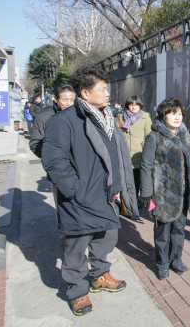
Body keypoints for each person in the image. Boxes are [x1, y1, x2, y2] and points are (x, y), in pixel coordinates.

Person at [42, 66, 134, 316]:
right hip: (80, 197)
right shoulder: (64, 121)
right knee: (76, 247)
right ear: (85, 92)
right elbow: (54, 161)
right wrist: (75, 190)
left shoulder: (106, 116)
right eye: (102, 88)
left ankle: (100, 276)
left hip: (106, 194)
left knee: (105, 239)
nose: (107, 93)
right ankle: (76, 291)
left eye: (107, 88)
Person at [139, 98, 190, 280]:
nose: (177, 117)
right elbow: (146, 166)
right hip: (163, 195)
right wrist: (147, 193)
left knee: (179, 229)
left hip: (183, 193)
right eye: (172, 113)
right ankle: (162, 263)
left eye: (179, 113)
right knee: (162, 232)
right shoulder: (154, 137)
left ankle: (176, 260)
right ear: (163, 115)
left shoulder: (185, 134)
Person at [29, 84, 77, 219]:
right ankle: (66, 235)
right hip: (59, 170)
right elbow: (35, 144)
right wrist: (53, 159)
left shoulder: (79, 114)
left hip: (79, 167)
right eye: (65, 100)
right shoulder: (44, 117)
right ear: (56, 99)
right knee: (62, 204)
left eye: (72, 99)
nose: (69, 103)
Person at [119, 95, 152, 216]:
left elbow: (148, 136)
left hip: (138, 154)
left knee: (136, 181)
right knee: (125, 181)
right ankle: (126, 204)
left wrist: (145, 149)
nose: (133, 107)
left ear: (140, 105)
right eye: (131, 105)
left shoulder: (145, 117)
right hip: (124, 154)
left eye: (136, 105)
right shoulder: (122, 117)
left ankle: (135, 203)